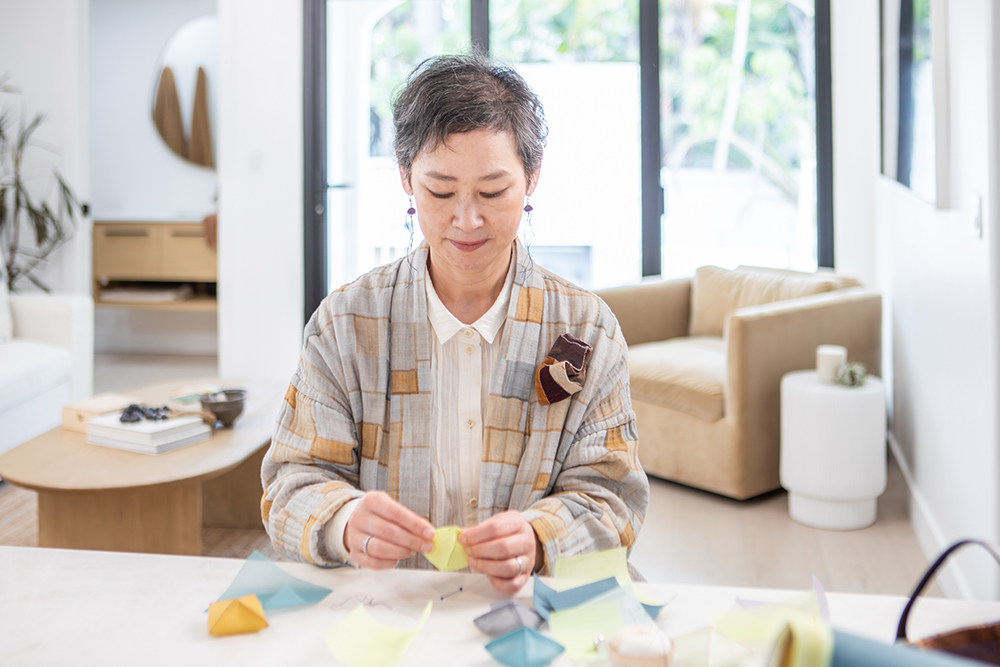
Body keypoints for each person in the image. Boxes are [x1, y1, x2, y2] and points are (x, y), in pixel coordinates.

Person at [261, 53, 649, 595]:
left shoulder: (586, 328)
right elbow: (290, 484)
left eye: (493, 191)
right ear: (405, 178)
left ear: (532, 177)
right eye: (440, 192)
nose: (467, 220)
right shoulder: (346, 324)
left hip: (537, 605)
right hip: (390, 609)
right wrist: (347, 522)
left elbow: (615, 496)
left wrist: (539, 539)